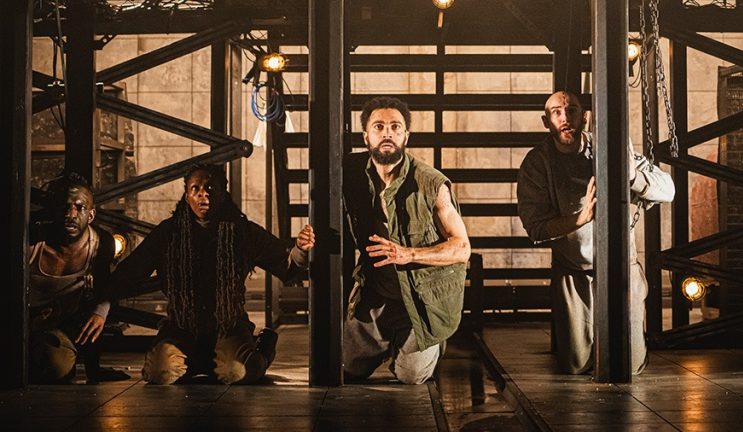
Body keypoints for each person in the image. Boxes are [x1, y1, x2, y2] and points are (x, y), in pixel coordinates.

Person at [99, 164, 314, 384]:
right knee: (159, 373)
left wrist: (300, 250)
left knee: (238, 372)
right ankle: (205, 363)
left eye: (211, 188)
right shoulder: (168, 233)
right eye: (196, 189)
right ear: (187, 196)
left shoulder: (243, 232)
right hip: (181, 328)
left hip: (228, 326)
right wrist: (102, 305)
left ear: (223, 193)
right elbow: (131, 270)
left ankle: (262, 348)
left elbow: (285, 265)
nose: (204, 194)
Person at [516, 90, 675, 375]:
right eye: (556, 112)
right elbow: (536, 228)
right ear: (546, 121)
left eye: (572, 110)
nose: (565, 118)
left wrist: (632, 177)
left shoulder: (610, 150)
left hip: (621, 268)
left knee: (629, 363)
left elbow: (669, 190)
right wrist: (579, 219)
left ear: (585, 116)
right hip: (574, 271)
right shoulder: (537, 163)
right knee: (576, 364)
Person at [341, 96, 471, 385]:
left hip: (420, 303)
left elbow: (462, 248)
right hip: (377, 295)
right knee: (346, 368)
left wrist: (408, 254)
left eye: (395, 127)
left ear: (406, 136)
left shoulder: (430, 183)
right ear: (366, 136)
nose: (387, 133)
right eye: (378, 126)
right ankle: (387, 342)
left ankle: (428, 344)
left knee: (411, 376)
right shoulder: (351, 172)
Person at [27, 172, 129, 383]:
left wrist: (94, 372)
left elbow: (101, 295)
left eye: (80, 207)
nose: (71, 214)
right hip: (20, 324)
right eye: (64, 207)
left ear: (90, 215)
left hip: (57, 330)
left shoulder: (100, 244)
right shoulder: (32, 241)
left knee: (56, 365)